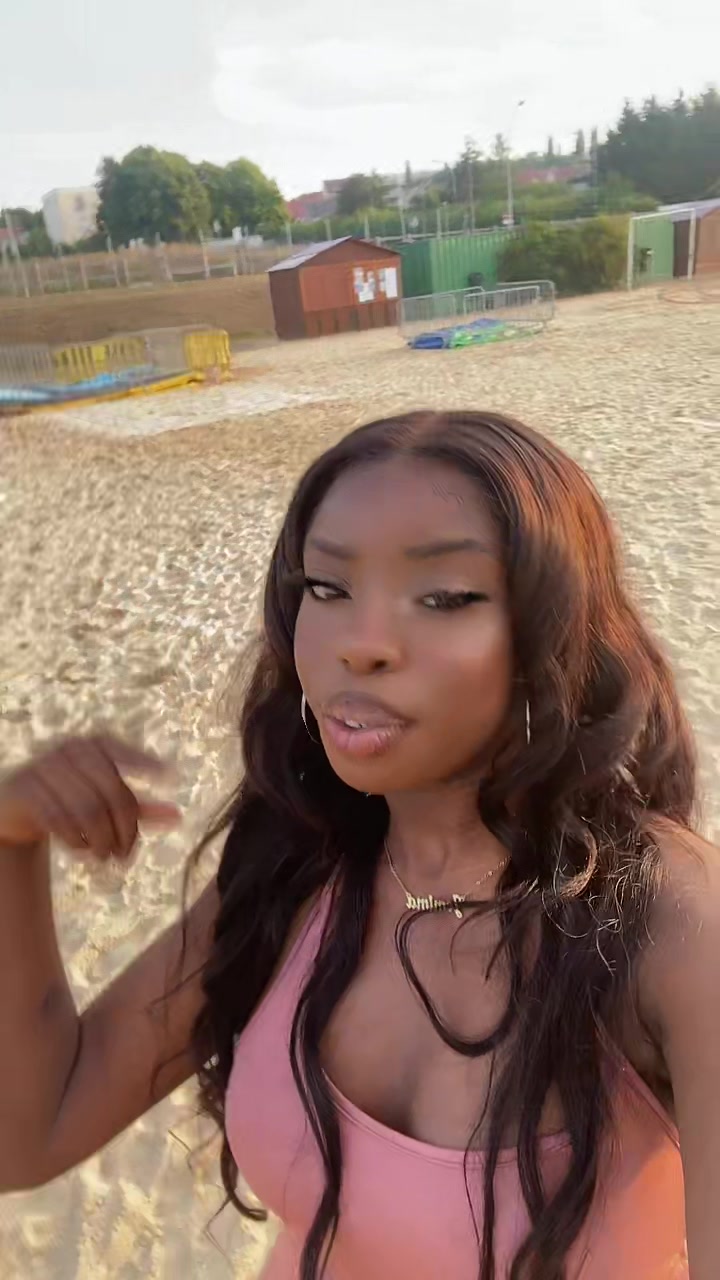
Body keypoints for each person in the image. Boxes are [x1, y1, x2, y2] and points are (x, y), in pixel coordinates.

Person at [0, 409, 717, 1280]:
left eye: (445, 597)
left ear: (553, 633)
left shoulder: (668, 926)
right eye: (328, 588)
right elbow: (31, 1134)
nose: (360, 645)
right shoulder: (297, 864)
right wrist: (10, 842)